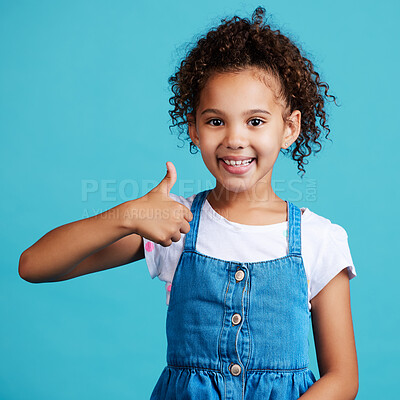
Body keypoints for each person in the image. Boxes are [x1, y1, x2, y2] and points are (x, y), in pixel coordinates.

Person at [19, 6, 359, 399]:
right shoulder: (172, 225)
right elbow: (34, 266)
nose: (234, 138)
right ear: (194, 129)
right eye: (216, 121)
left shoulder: (320, 239)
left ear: (290, 128)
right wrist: (130, 214)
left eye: (255, 121)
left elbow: (343, 378)